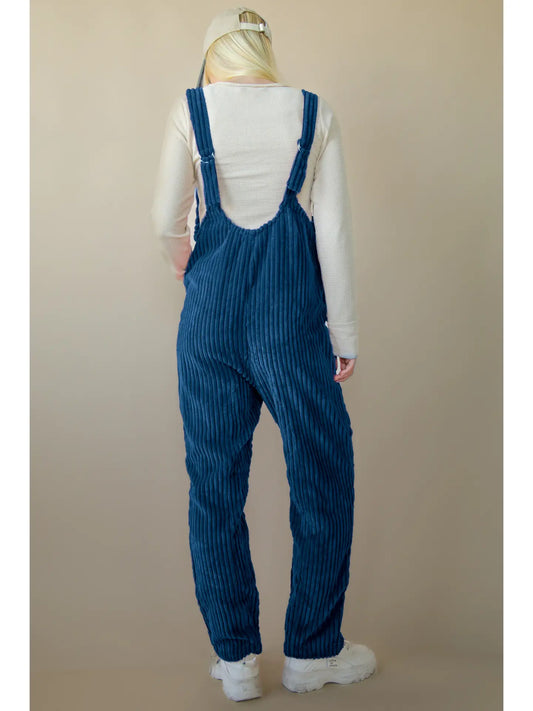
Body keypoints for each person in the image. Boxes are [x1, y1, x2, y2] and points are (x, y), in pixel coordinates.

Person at [151, 6, 376, 702]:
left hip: (209, 327)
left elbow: (164, 219)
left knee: (214, 485)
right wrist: (343, 334)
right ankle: (313, 652)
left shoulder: (191, 110)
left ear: (212, 54)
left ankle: (236, 660)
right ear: (264, 51)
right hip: (292, 326)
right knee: (322, 475)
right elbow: (332, 231)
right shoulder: (313, 112)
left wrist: (188, 267)